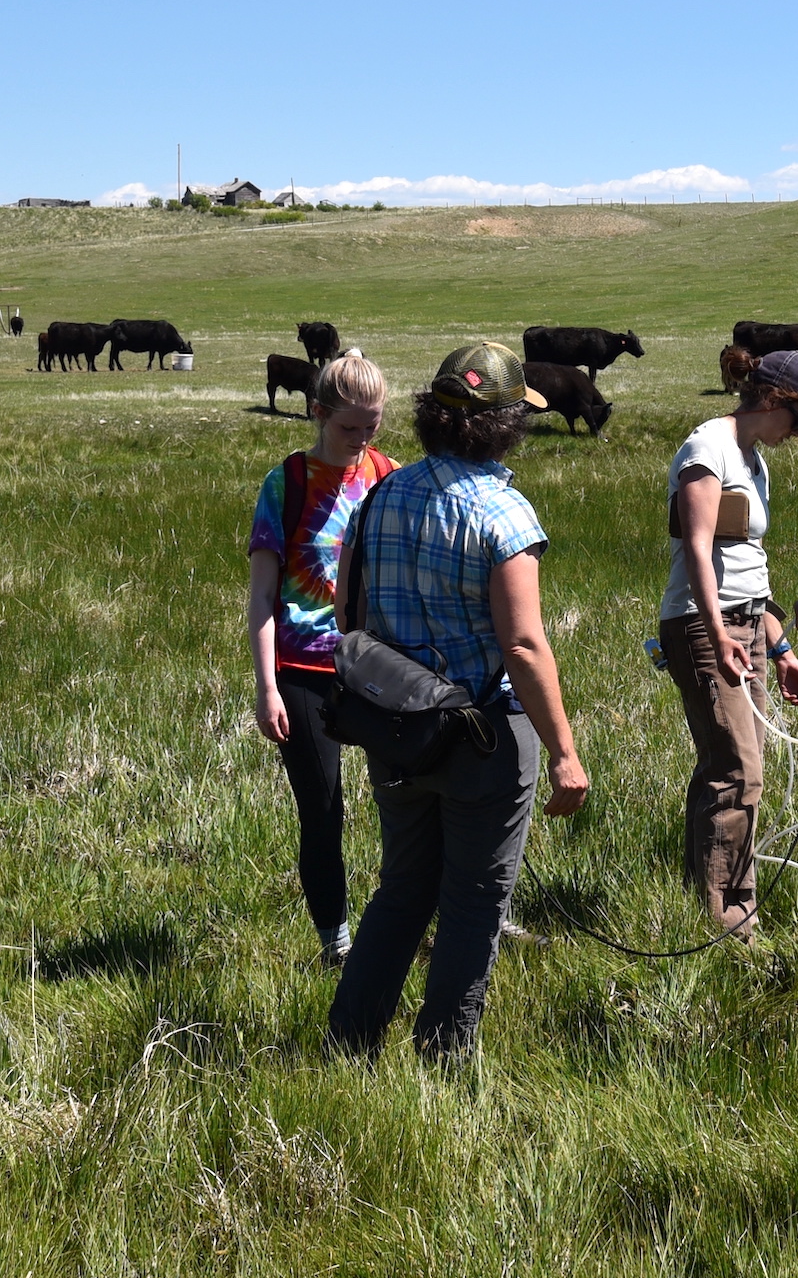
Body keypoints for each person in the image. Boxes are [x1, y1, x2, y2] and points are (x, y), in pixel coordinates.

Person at [324, 343, 591, 1060]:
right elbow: (526, 646)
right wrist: (565, 753)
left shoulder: (380, 494)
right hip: (486, 739)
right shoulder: (503, 513)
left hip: (395, 729)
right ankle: (444, 1056)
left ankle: (349, 1041)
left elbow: (347, 619)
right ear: (504, 424)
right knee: (474, 901)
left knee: (402, 889)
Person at [660, 348, 798, 935]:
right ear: (773, 401)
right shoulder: (707, 449)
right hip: (706, 625)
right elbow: (698, 548)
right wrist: (716, 631)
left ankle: (701, 898)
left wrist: (780, 649)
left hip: (748, 625)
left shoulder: (754, 461)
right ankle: (730, 921)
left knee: (729, 767)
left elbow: (750, 567)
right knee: (739, 772)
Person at [246, 351, 398, 967]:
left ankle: (406, 917)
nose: (362, 440)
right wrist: (266, 688)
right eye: (349, 427)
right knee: (323, 808)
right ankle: (337, 941)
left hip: (382, 667)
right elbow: (261, 594)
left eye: (373, 426)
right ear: (317, 414)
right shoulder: (287, 482)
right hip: (303, 669)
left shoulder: (390, 475)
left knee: (409, 802)